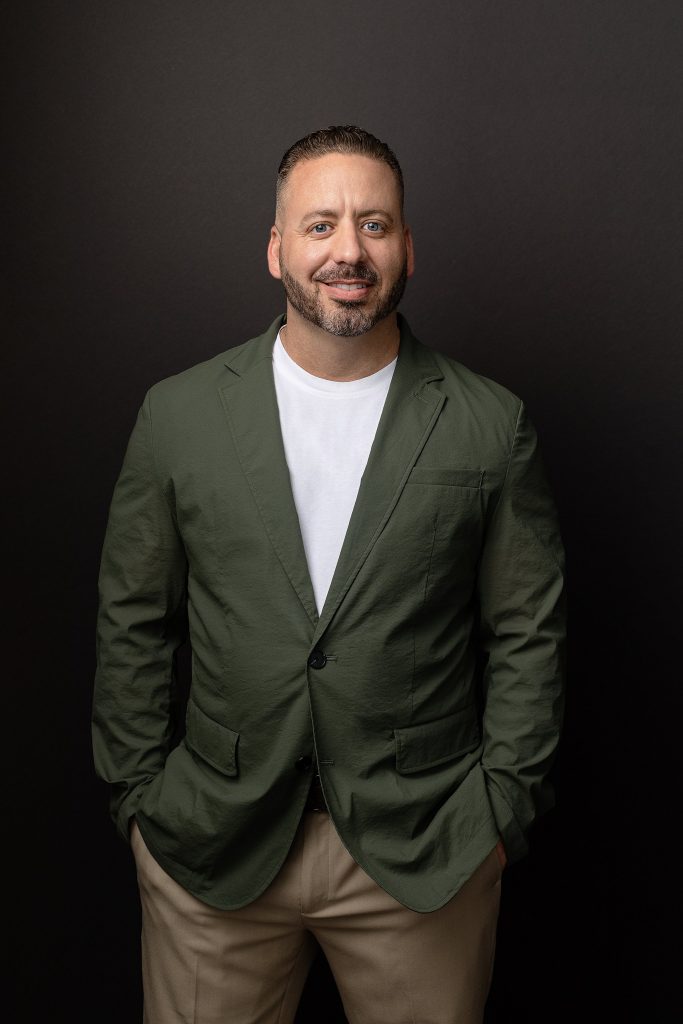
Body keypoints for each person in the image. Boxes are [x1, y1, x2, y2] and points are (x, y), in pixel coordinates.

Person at [93, 125, 565, 1024]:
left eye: (374, 224)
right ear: (276, 249)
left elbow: (526, 633)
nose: (348, 248)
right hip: (210, 847)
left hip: (426, 850)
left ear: (407, 248)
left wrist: (500, 815)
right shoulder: (177, 415)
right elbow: (133, 620)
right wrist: (141, 801)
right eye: (320, 225)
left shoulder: (488, 424)